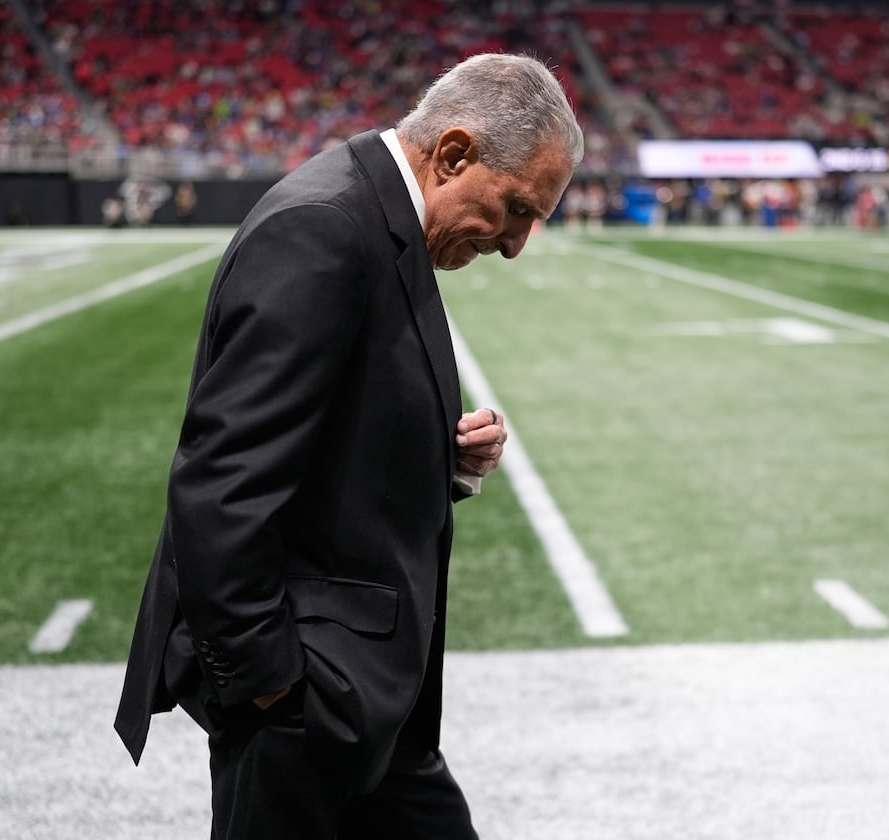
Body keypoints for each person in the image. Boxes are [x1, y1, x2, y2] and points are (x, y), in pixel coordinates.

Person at [114, 53, 582, 839]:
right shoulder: (327, 227)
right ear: (454, 153)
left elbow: (324, 436)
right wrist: (275, 689)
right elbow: (223, 481)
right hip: (311, 695)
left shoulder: (378, 215)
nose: (515, 244)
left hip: (356, 697)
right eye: (514, 209)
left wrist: (446, 461)